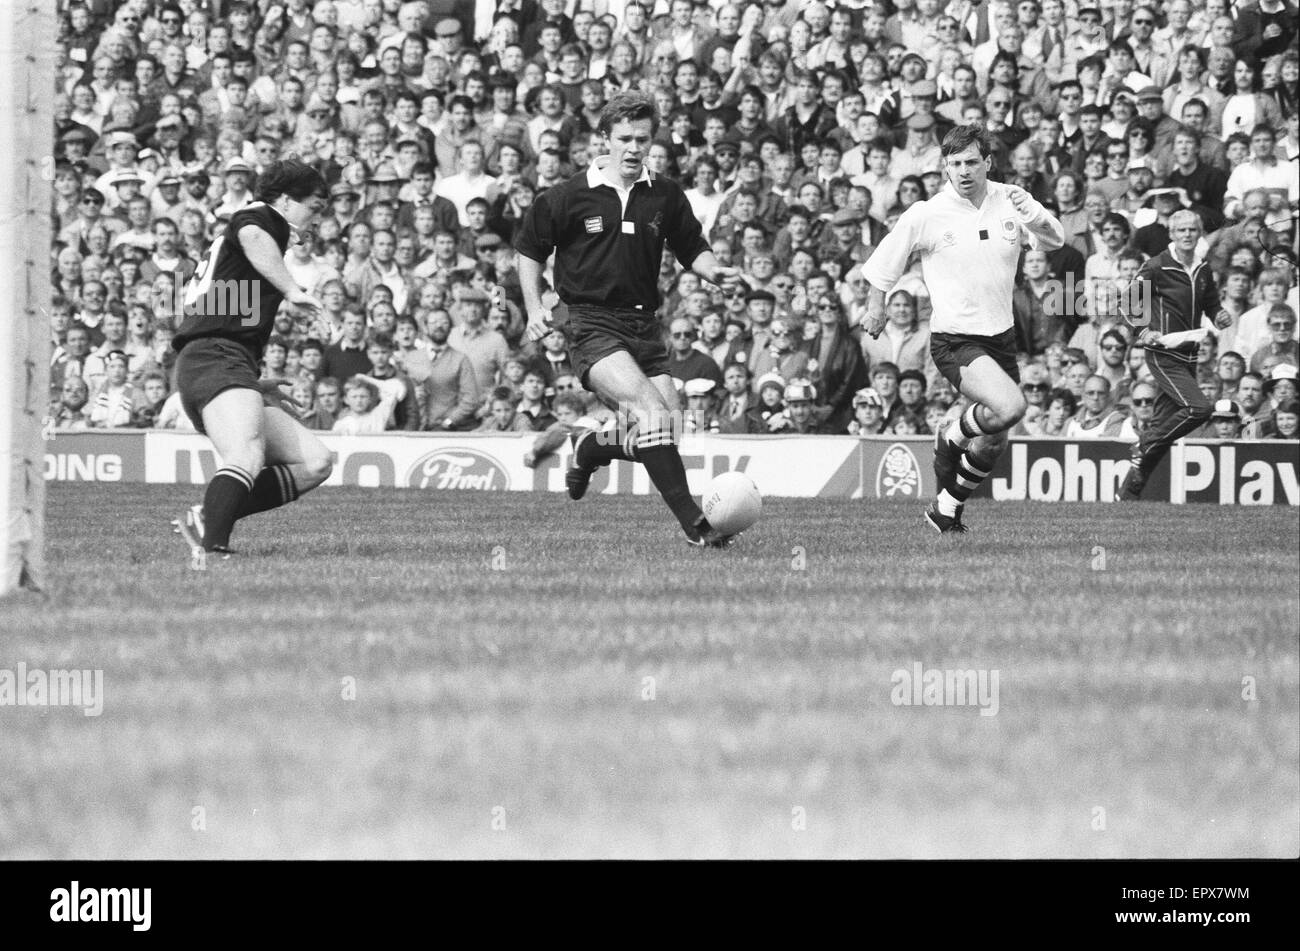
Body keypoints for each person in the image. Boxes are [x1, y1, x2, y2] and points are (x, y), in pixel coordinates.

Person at [515, 91, 741, 547]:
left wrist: (714, 272)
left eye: (643, 139)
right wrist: (537, 307)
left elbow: (691, 247)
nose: (635, 148)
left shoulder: (664, 195)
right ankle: (698, 527)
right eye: (625, 139)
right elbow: (529, 252)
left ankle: (590, 446)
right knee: (653, 415)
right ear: (605, 139)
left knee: (668, 430)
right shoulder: (567, 196)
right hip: (588, 322)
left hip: (643, 324)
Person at [863, 125, 1065, 533]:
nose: (963, 171)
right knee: (1011, 408)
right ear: (945, 168)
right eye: (954, 164)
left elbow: (1055, 240)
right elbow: (886, 262)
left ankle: (946, 510)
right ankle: (952, 435)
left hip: (1001, 338)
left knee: (994, 441)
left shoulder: (1009, 200)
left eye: (971, 162)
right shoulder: (927, 213)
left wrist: (1034, 212)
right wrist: (875, 307)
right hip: (956, 340)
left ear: (988, 162)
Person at [171, 159, 333, 557]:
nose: (316, 219)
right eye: (313, 206)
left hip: (220, 360)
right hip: (215, 356)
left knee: (315, 461)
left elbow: (225, 307)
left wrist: (250, 381)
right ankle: (212, 551)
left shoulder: (246, 246)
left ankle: (206, 518)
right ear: (284, 201)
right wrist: (293, 290)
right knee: (247, 453)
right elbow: (251, 230)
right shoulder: (261, 218)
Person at [1118, 210, 1233, 501]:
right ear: (1171, 234)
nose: (1186, 235)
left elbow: (1211, 303)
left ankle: (1128, 494)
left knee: (1163, 424)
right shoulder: (1156, 266)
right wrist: (1144, 332)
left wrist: (1219, 315)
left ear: (1199, 233)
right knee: (1199, 409)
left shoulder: (1203, 268)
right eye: (1181, 230)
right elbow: (1128, 303)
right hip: (1163, 352)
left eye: (1192, 230)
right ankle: (1145, 442)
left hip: (1190, 354)